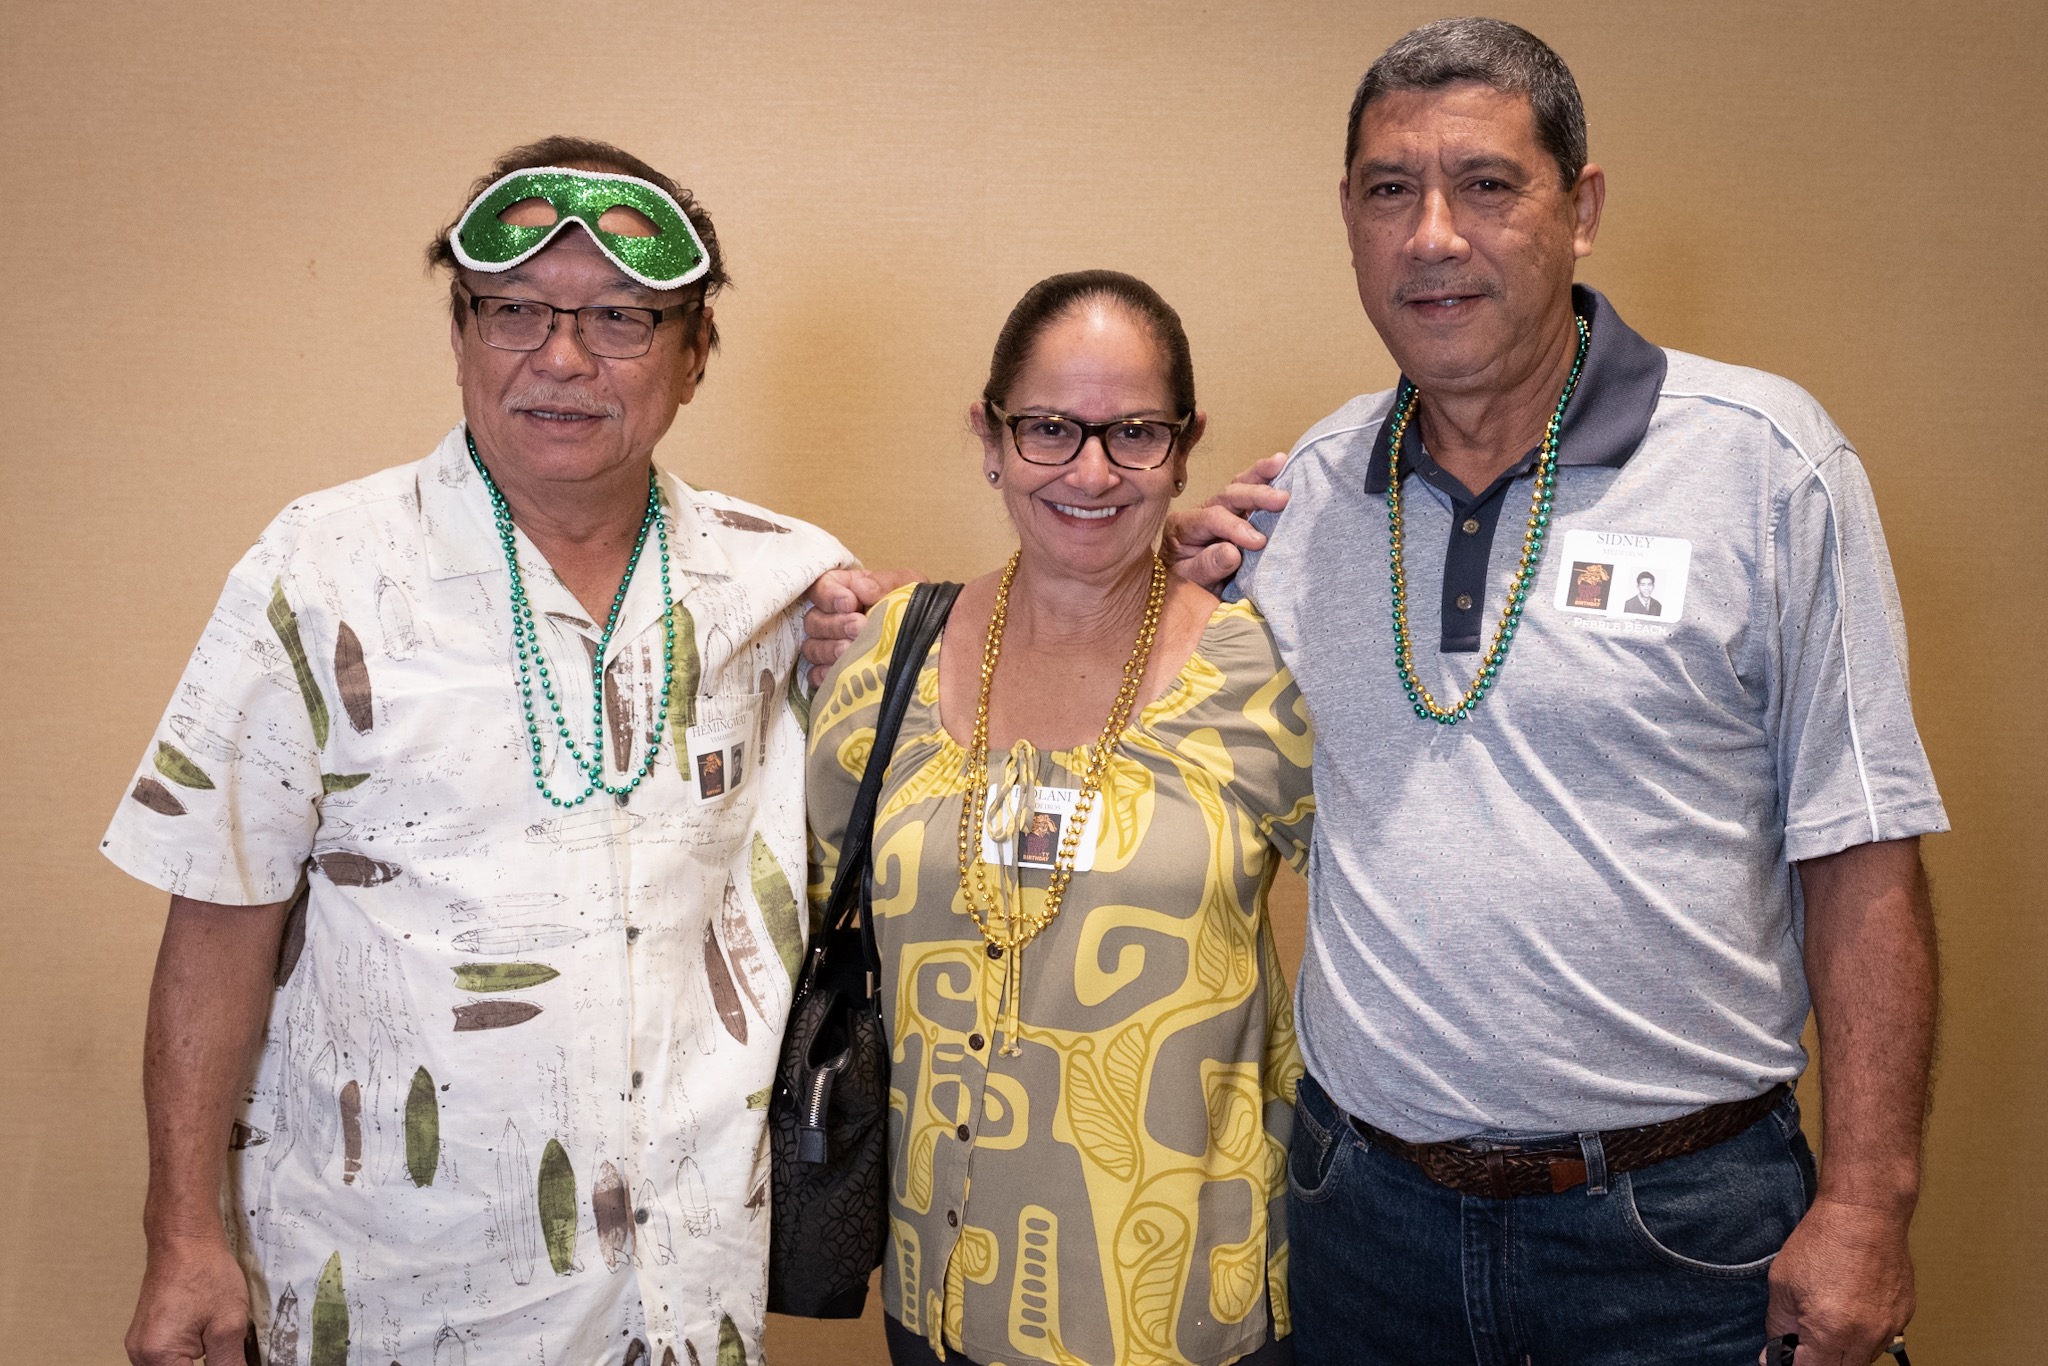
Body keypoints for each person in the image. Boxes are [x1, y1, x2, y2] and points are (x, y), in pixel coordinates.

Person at [807, 19, 1945, 1366]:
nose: (1433, 236)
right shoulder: (1309, 498)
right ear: (1348, 219)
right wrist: (914, 620)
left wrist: (1868, 1201)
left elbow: (1861, 845)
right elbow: (1103, 610)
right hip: (1362, 1220)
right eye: (1390, 190)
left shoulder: (1761, 464)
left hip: (1674, 1219)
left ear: (1580, 208)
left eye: (1486, 184)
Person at [105, 136, 852, 1366]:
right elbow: (218, 916)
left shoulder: (783, 585)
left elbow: (993, 698)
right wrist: (182, 1232)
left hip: (683, 1291)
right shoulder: (318, 572)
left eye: (620, 317)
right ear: (459, 334)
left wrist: (1168, 568)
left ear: (695, 353)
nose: (560, 357)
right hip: (392, 1288)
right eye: (513, 309)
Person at [805, 271, 1314, 1366]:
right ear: (989, 439)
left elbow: (1399, 922)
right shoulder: (887, 661)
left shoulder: (1262, 673)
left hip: (1183, 1308)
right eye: (1048, 428)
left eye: (1133, 432)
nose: (1090, 470)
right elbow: (808, 902)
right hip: (934, 1290)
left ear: (1184, 447)